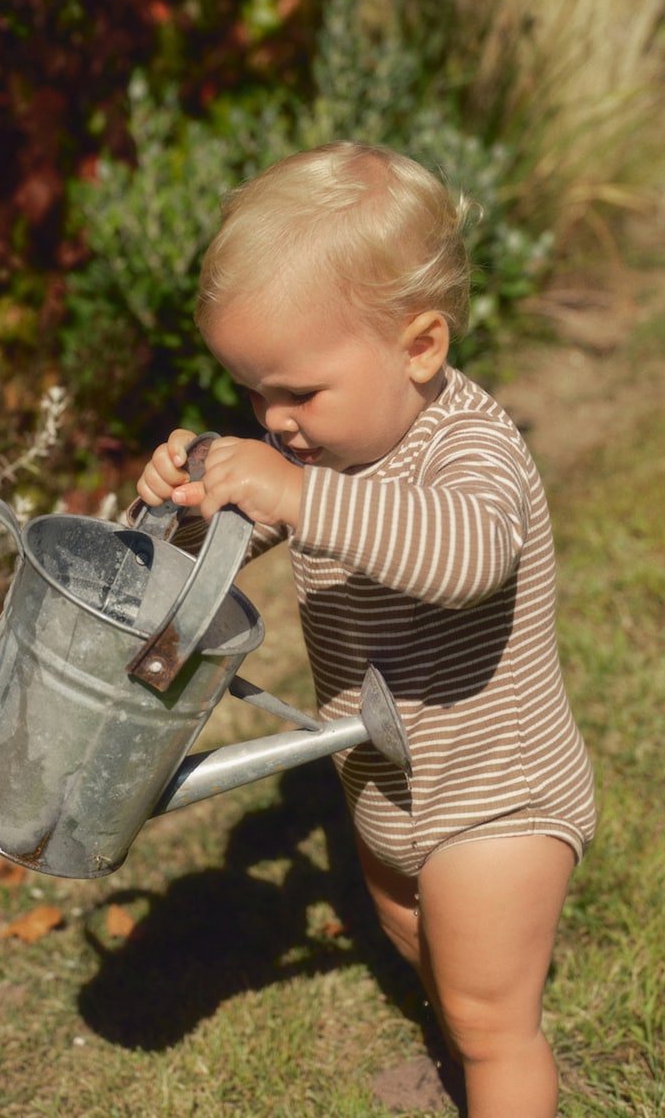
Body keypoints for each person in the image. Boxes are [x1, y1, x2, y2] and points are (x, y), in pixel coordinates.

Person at [135, 141, 596, 1118]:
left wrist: (298, 494)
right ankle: (461, 1046)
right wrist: (184, 504)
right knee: (407, 926)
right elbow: (220, 546)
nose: (274, 419)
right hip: (387, 780)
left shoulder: (472, 448)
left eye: (297, 391)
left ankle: (495, 1069)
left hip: (494, 792)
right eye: (255, 391)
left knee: (491, 1017)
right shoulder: (327, 448)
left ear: (419, 347)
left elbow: (463, 560)